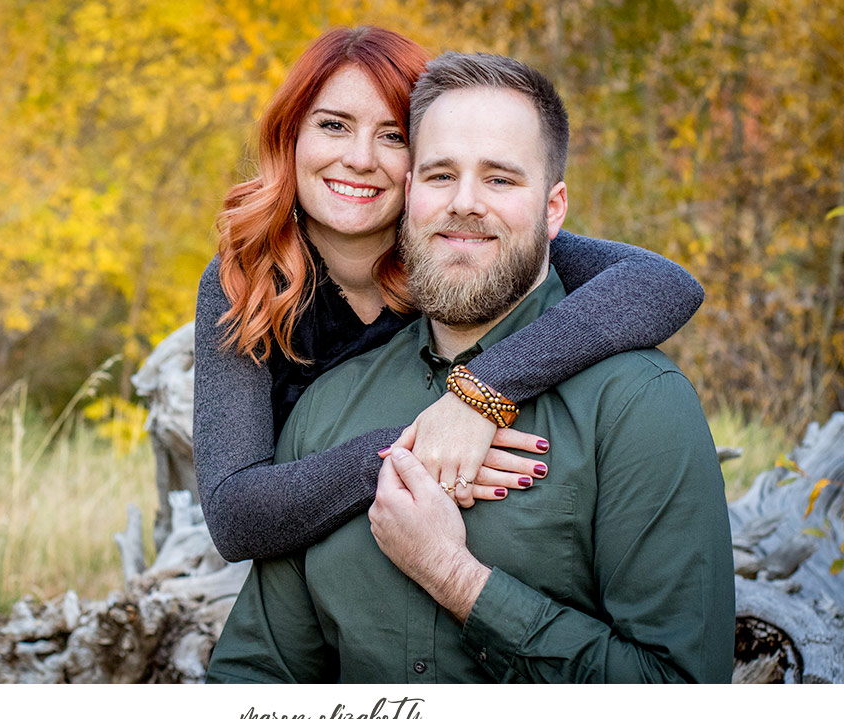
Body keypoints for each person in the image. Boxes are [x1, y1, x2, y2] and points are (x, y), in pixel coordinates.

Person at [205, 51, 735, 683]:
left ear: (553, 206)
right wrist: (407, 449)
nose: (360, 158)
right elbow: (252, 655)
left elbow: (663, 282)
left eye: (501, 180)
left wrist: (478, 400)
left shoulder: (634, 405)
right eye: (333, 125)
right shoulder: (273, 320)